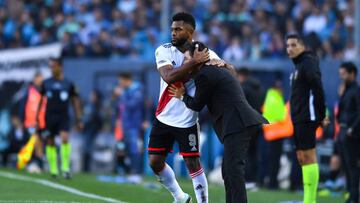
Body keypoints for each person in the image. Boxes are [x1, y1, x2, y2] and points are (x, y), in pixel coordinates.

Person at [169, 41, 268, 203]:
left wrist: (182, 96)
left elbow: (197, 105)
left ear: (200, 57)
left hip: (238, 123)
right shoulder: (213, 70)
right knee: (228, 171)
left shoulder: (205, 74)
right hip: (239, 122)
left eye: (188, 59)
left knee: (233, 170)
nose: (186, 63)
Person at [149, 12, 232, 203]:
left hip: (187, 119)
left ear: (191, 31)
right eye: (172, 29)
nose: (174, 33)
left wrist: (222, 65)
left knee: (192, 163)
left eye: (178, 29)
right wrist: (194, 62)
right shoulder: (164, 50)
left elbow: (231, 71)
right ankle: (180, 197)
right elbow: (168, 77)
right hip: (164, 116)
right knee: (154, 161)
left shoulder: (204, 52)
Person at [286, 34, 326, 203]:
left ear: (303, 46)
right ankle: (307, 199)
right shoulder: (298, 65)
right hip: (298, 117)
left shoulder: (308, 62)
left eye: (293, 45)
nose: (290, 48)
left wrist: (320, 114)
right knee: (302, 158)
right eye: (287, 45)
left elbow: (317, 87)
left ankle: (310, 200)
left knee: (309, 156)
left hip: (307, 117)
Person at [37, 57, 83, 179]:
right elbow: (40, 102)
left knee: (65, 138)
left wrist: (79, 119)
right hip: (49, 116)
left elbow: (75, 101)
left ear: (60, 67)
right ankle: (53, 169)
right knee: (50, 142)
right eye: (51, 67)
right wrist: (38, 118)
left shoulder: (68, 83)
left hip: (63, 116)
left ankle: (65, 168)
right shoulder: (46, 83)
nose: (52, 69)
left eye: (54, 66)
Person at [337, 62, 360, 203]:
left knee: (352, 166)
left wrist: (353, 129)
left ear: (352, 73)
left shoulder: (356, 90)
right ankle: (350, 195)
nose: (342, 76)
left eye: (344, 73)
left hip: (351, 133)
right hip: (343, 131)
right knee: (346, 166)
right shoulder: (346, 89)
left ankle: (354, 197)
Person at [117, 72, 144, 182]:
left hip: (134, 125)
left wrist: (122, 95)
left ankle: (136, 173)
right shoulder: (127, 92)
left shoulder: (137, 91)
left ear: (126, 80)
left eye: (121, 81)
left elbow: (132, 105)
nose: (120, 84)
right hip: (126, 125)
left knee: (135, 149)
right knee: (126, 149)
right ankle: (128, 172)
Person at [19, 72, 46, 170]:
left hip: (42, 124)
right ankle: (30, 163)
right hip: (30, 123)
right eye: (39, 78)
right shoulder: (29, 91)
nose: (40, 80)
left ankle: (38, 164)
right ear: (34, 79)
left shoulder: (45, 91)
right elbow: (23, 107)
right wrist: (21, 121)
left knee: (40, 144)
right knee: (31, 143)